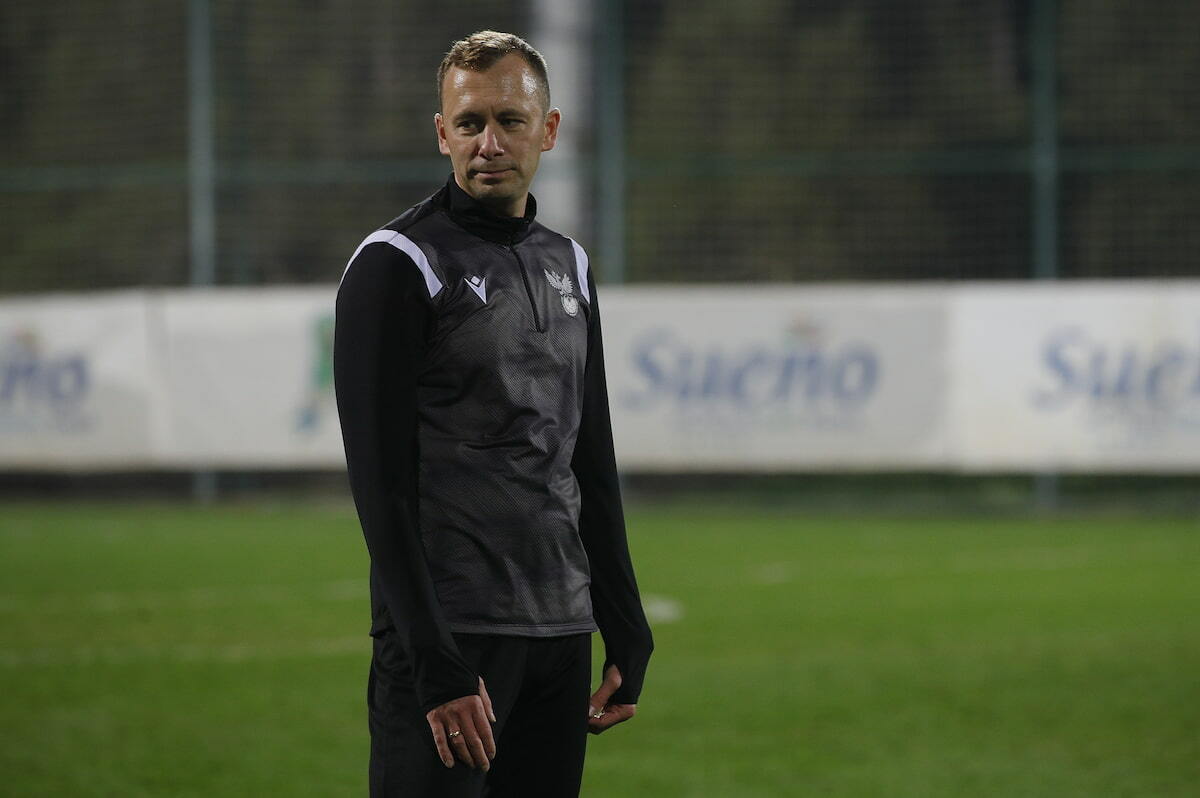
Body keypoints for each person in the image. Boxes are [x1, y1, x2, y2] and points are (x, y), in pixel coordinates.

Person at [333, 30, 654, 797]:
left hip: (559, 631)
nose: (489, 143)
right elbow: (381, 488)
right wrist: (433, 660)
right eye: (470, 122)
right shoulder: (396, 263)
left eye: (510, 121)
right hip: (453, 640)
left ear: (547, 130)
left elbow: (590, 458)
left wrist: (624, 619)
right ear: (442, 132)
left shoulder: (569, 262)